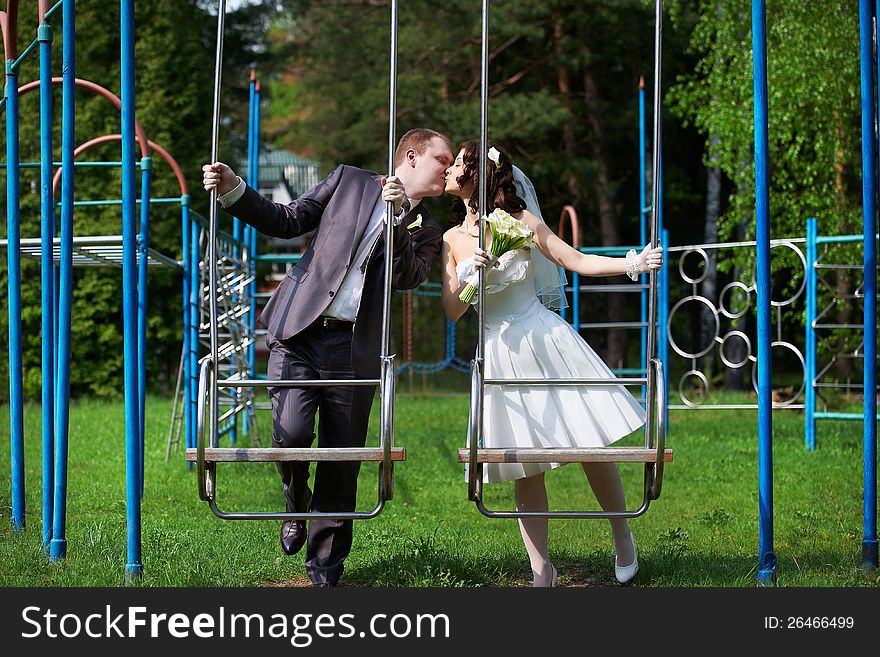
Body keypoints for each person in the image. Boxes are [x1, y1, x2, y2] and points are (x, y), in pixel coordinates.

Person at [202, 128, 454, 587]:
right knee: (292, 434)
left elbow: (409, 277)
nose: (450, 168)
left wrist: (397, 221)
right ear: (412, 156)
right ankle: (296, 502)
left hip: (353, 347)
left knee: (342, 460)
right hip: (298, 330)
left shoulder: (428, 229)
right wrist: (234, 189)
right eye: (443, 159)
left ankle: (325, 569)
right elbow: (287, 220)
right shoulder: (349, 181)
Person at [440, 140, 663, 587]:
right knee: (526, 461)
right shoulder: (452, 238)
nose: (446, 169)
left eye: (456, 163)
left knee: (590, 444)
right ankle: (541, 567)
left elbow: (573, 259)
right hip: (501, 352)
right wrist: (469, 277)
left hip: (545, 339)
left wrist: (631, 263)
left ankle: (623, 536)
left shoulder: (521, 221)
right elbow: (452, 310)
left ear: (475, 175)